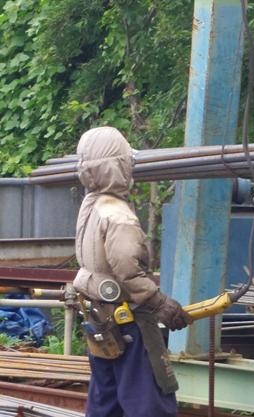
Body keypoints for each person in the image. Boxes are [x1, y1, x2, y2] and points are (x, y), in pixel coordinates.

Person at [72, 126, 193, 417]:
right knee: (149, 403)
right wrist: (159, 302)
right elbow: (127, 268)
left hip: (101, 319)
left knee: (106, 404)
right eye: (128, 161)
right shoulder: (119, 214)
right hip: (131, 323)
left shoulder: (91, 207)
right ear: (118, 166)